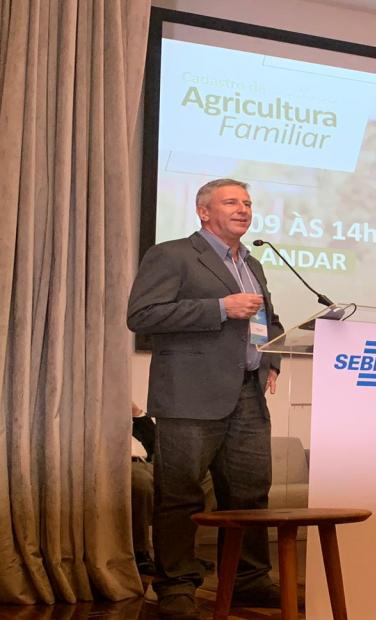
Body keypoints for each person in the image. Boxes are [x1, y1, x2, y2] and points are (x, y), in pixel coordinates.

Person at [127, 178, 284, 619]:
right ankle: (176, 585)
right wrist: (219, 308)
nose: (243, 209)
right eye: (231, 202)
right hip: (189, 394)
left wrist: (271, 359)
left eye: (247, 202)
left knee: (250, 495)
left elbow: (267, 319)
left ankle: (250, 580)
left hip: (248, 393)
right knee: (180, 495)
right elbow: (142, 315)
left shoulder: (252, 262)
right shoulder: (172, 254)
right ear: (203, 211)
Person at [130, 402, 157, 576]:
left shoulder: (135, 421)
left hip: (147, 461)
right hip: (123, 463)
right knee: (141, 480)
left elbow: (155, 442)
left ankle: (182, 553)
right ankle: (140, 551)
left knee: (203, 477)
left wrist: (137, 413)